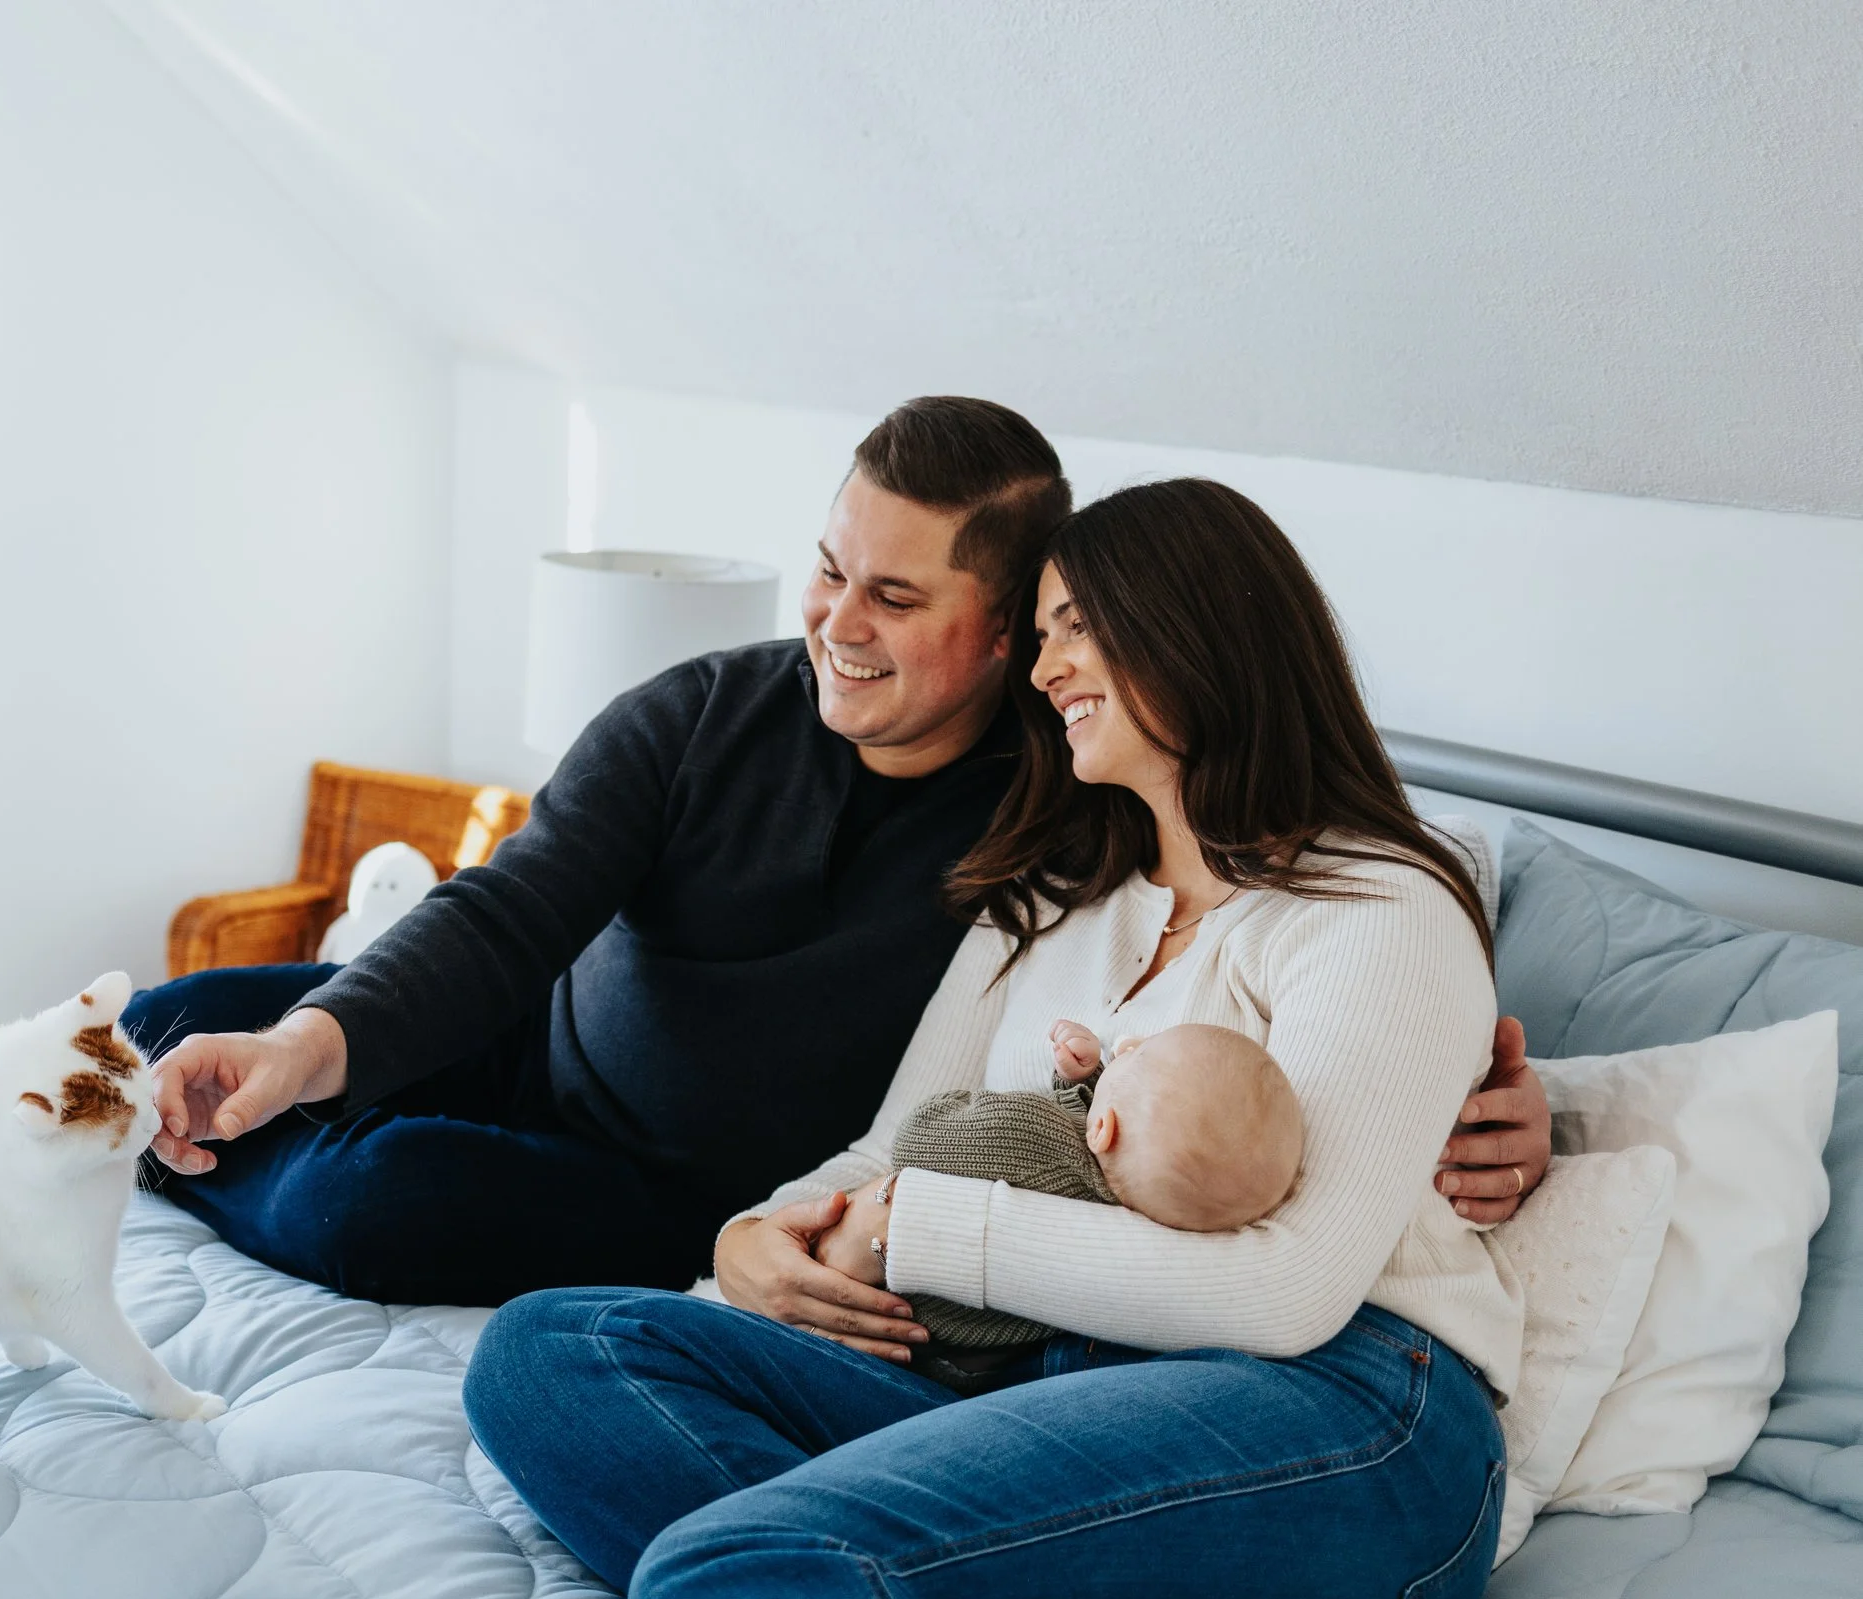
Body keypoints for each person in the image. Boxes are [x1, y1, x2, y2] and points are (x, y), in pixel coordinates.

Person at [131, 399, 1549, 1309]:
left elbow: (1283, 889)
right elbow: (511, 909)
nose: (833, 620)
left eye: (891, 592)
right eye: (826, 567)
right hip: (534, 1051)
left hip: (677, 1184)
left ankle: (246, 1145)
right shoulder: (699, 711)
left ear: (1005, 632)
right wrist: (308, 1042)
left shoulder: (1077, 801)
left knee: (365, 1198)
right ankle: (252, 1100)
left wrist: (1489, 1104)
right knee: (168, 1021)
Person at [463, 478, 1524, 1599]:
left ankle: (822, 1576)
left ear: (1194, 627)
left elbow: (1285, 1294)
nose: (1041, 667)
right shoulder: (1049, 897)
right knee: (549, 1355)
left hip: (1333, 1406)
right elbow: (893, 1143)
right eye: (1043, 630)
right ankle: (882, 1586)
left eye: (1077, 625)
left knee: (727, 1570)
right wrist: (752, 1235)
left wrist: (916, 1227)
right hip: (1020, 1375)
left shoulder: (1375, 902)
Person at [880, 1019, 1303, 1392]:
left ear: (1101, 1128)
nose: (1127, 1044)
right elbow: (1094, 1159)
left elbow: (916, 1140)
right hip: (981, 1356)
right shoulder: (1148, 1206)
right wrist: (1087, 1080)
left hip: (924, 1337)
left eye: (1139, 1056)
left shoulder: (1028, 1132)